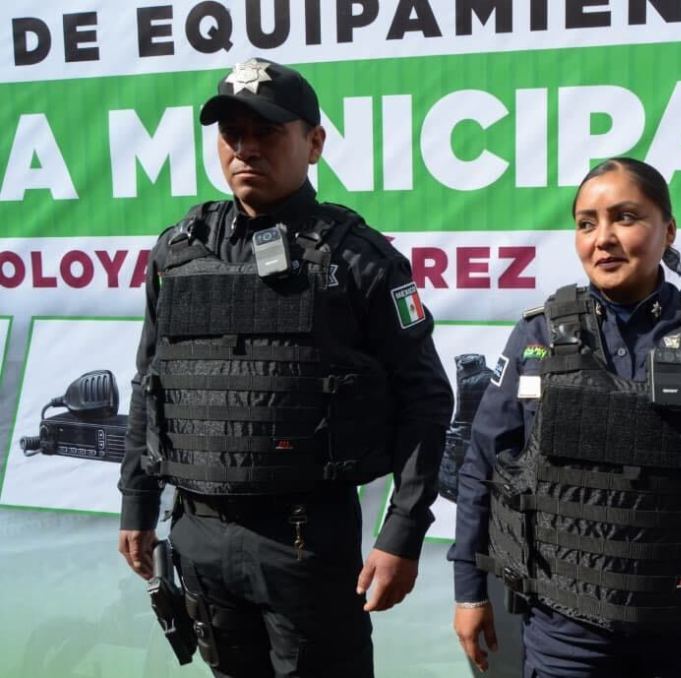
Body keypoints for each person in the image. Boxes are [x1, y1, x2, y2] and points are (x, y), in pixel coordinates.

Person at [117, 58, 453, 677]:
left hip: (304, 541)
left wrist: (403, 530)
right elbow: (150, 381)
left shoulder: (361, 260)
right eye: (231, 134)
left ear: (314, 142)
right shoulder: (177, 252)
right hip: (197, 533)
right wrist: (137, 501)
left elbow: (426, 399)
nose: (246, 148)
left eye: (267, 131)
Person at [450, 157, 681, 678]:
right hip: (570, 639)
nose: (602, 238)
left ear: (667, 228)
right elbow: (481, 467)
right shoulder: (538, 337)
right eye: (586, 223)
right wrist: (468, 591)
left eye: (625, 217)